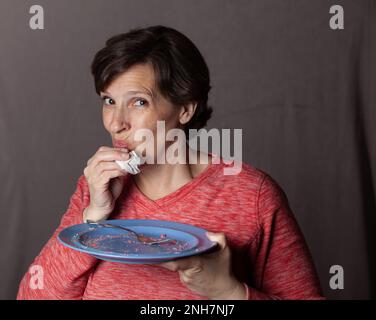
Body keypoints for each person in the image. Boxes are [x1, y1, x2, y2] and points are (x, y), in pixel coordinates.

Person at [17, 25, 324, 300]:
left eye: (139, 102)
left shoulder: (252, 196)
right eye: (109, 101)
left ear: (186, 110)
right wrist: (93, 218)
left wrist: (228, 292)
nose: (115, 123)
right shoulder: (97, 187)